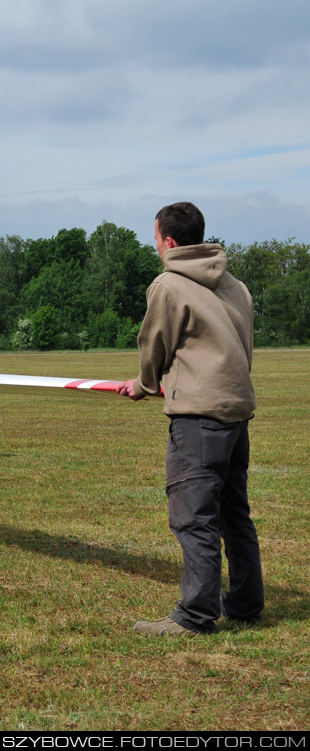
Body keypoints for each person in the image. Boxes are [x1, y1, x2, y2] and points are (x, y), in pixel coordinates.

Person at [117, 202, 263, 636]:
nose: (155, 245)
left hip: (198, 418)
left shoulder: (168, 284)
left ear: (169, 241)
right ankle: (245, 602)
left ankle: (195, 616)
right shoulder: (234, 284)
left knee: (193, 515)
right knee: (234, 513)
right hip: (236, 411)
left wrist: (143, 383)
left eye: (155, 237)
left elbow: (154, 344)